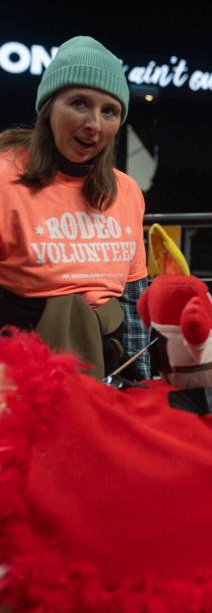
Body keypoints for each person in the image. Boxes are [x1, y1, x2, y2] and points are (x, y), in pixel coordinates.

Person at [0, 35, 149, 379]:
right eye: (79, 103)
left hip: (109, 373)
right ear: (49, 107)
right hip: (19, 376)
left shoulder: (126, 192)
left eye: (109, 111)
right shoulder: (6, 179)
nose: (94, 124)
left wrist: (141, 383)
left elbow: (133, 299)